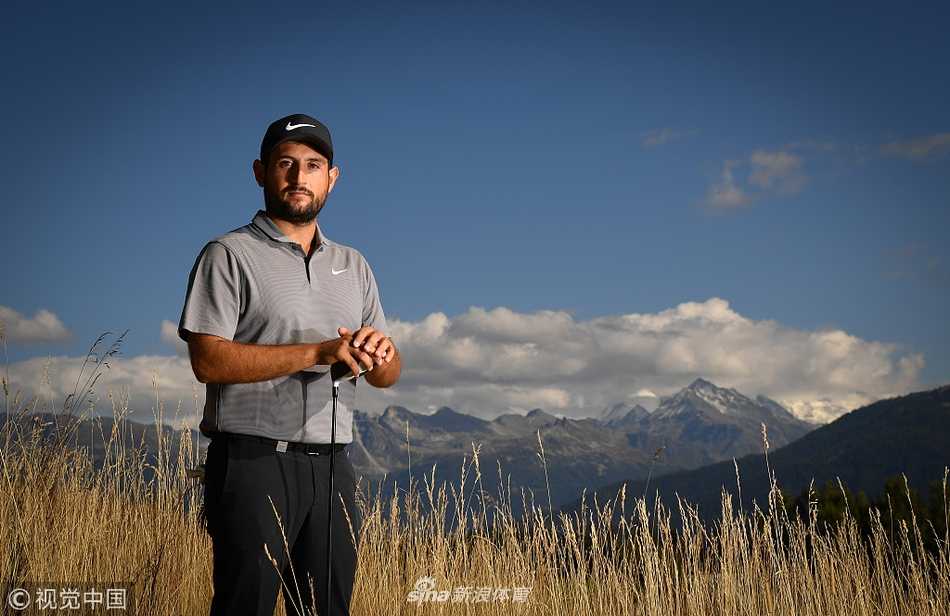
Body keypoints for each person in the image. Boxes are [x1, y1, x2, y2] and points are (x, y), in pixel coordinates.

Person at [177, 113, 401, 616]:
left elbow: (387, 375)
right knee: (245, 606)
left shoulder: (355, 264)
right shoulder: (228, 253)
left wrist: (379, 355)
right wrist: (317, 353)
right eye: (286, 164)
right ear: (261, 172)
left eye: (314, 165)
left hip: (332, 467)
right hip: (253, 462)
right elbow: (207, 360)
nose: (300, 177)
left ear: (332, 177)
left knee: (327, 609)